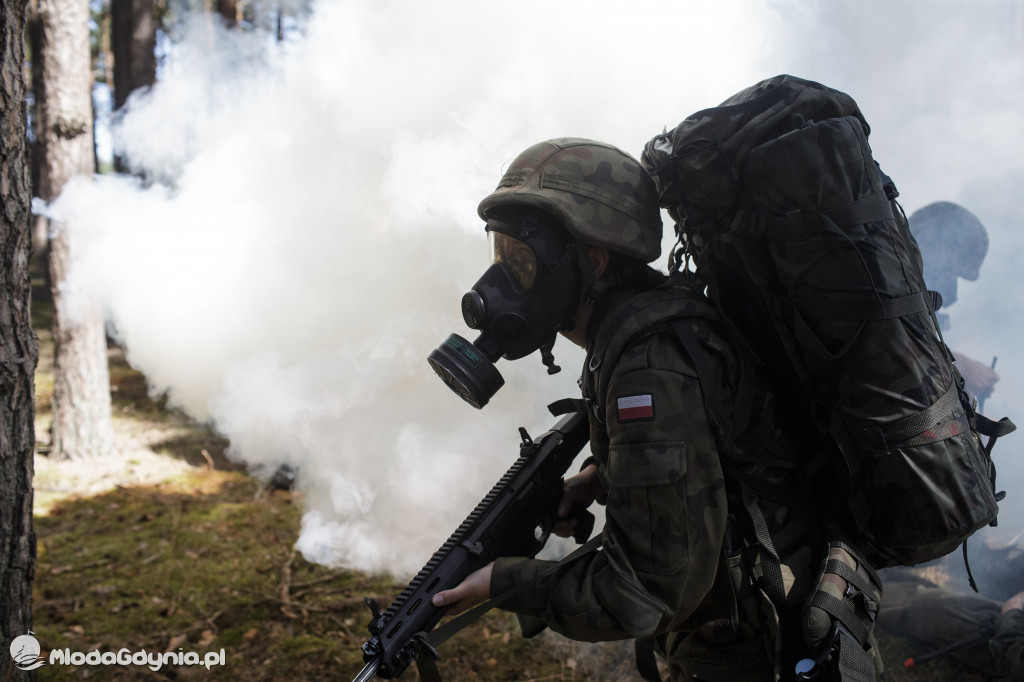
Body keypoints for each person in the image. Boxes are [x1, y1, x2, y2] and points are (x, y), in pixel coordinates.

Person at [429, 138, 884, 681]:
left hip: (772, 650)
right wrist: (601, 476)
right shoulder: (649, 327)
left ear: (593, 260)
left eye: (523, 260)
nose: (497, 285)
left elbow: (645, 592)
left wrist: (505, 582)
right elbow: (716, 449)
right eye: (500, 254)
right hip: (761, 625)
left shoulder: (648, 362)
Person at [909, 201, 1000, 402]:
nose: (954, 292)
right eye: (953, 275)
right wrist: (958, 366)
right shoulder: (892, 286)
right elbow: (892, 347)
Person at [876, 574, 1024, 680]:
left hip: (995, 638)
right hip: (1005, 620)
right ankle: (880, 575)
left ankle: (868, 591)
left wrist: (1013, 611)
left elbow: (1013, 658)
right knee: (939, 596)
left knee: (924, 606)